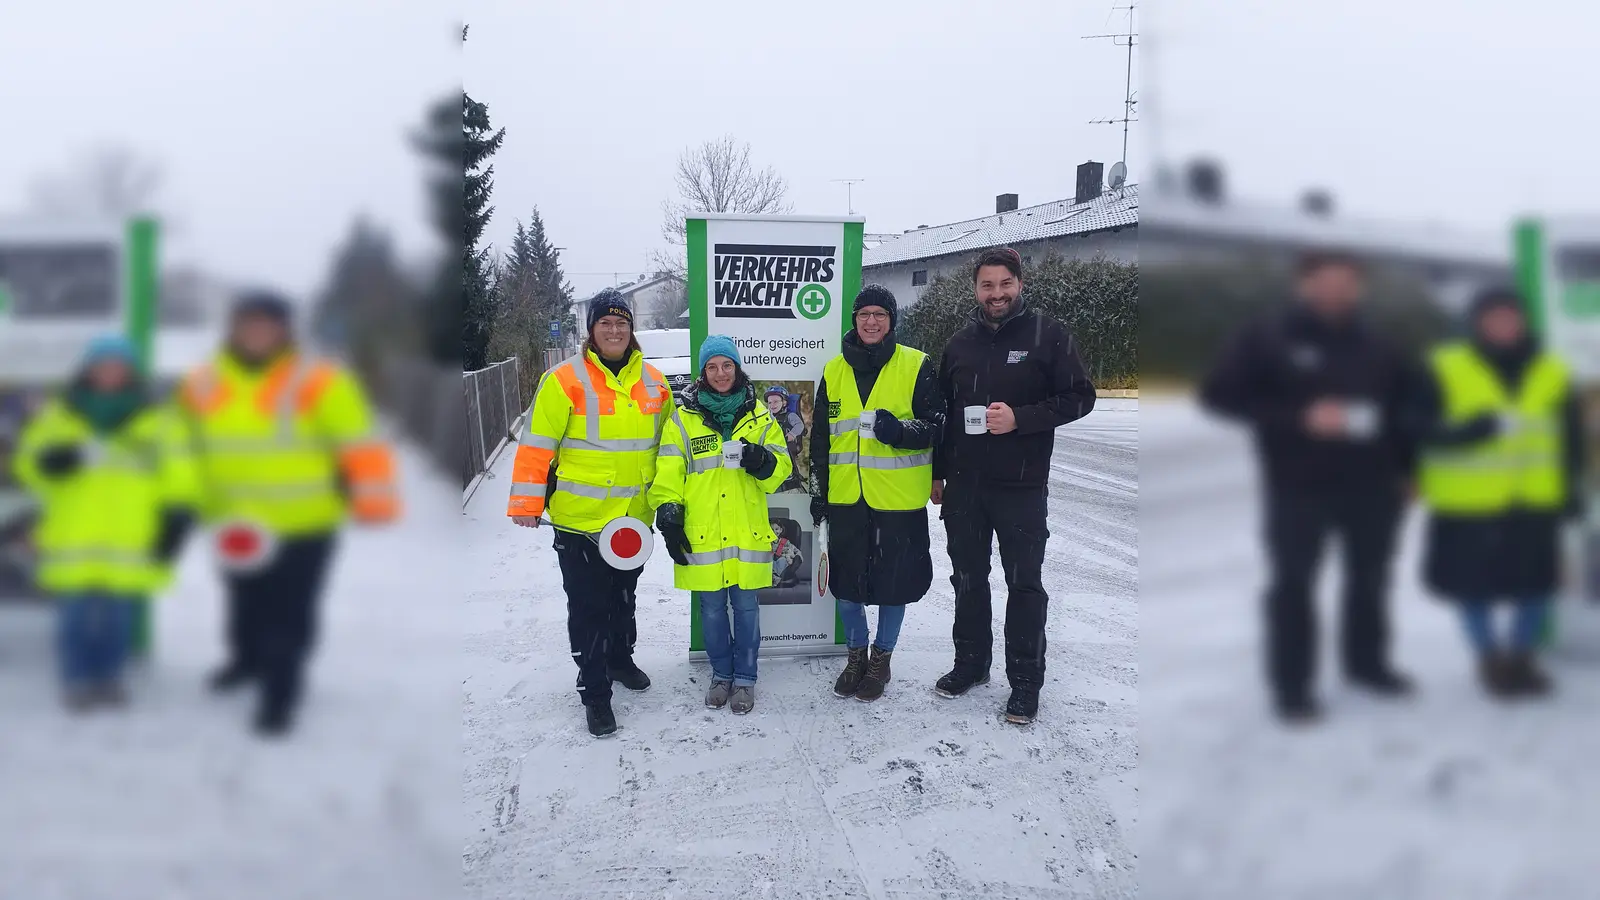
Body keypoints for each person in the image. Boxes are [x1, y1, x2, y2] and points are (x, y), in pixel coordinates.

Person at [1200, 251, 1417, 723]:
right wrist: (1298, 418)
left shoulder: (1380, 344)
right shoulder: (1267, 336)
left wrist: (1410, 470)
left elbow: (1408, 410)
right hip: (1299, 485)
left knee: (1370, 579)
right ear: (1304, 285)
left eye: (1346, 282)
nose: (1336, 290)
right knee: (1294, 585)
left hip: (1373, 485)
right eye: (1326, 281)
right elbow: (1220, 394)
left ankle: (1368, 665)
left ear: (1358, 288)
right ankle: (1293, 688)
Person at [177, 291, 400, 736]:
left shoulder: (317, 380)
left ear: (283, 330)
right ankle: (246, 661)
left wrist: (373, 499)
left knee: (289, 610)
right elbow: (180, 446)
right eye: (248, 323)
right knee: (244, 599)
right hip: (233, 520)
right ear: (234, 327)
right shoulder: (203, 382)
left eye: (266, 324)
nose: (257, 333)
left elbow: (358, 441)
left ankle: (280, 694)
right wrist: (181, 502)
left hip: (303, 522)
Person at [932, 248, 1096, 725]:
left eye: (1005, 284)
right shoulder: (959, 343)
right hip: (965, 486)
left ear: (1019, 284)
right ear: (975, 289)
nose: (996, 293)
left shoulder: (1049, 335)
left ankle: (1025, 682)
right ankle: (971, 664)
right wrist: (937, 473)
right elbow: (943, 414)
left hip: (1021, 486)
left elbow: (1080, 396)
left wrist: (1021, 419)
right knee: (967, 578)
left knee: (1024, 584)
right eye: (987, 285)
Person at [509, 289, 673, 738]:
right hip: (580, 522)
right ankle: (595, 692)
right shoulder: (564, 379)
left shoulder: (656, 383)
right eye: (606, 323)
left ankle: (619, 661)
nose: (614, 330)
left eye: (622, 323)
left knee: (624, 598)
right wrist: (526, 502)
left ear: (631, 329)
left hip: (633, 521)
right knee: (588, 607)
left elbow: (669, 448)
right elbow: (537, 444)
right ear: (592, 330)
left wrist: (669, 501)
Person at [1413, 288, 1586, 698]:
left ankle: (1522, 658)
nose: (1504, 325)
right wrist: (1468, 432)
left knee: (1537, 585)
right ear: (1477, 322)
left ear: (1523, 321)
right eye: (1493, 317)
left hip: (1534, 499)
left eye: (1511, 317)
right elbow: (1413, 427)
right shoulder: (1443, 365)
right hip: (1469, 502)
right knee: (1472, 587)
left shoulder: (1553, 370)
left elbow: (1571, 436)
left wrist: (1571, 488)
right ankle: (1489, 659)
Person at [13, 336, 199, 710]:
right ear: (88, 370)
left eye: (118, 366)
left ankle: (109, 679)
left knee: (117, 621)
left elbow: (181, 474)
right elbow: (28, 465)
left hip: (130, 538)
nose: (110, 373)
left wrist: (178, 517)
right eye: (102, 366)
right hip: (73, 537)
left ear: (131, 372)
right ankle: (76, 680)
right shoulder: (58, 416)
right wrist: (51, 462)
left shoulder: (160, 420)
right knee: (75, 619)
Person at [811, 284, 943, 703]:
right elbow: (820, 440)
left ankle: (881, 660)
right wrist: (818, 491)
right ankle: (856, 657)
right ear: (854, 320)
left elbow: (939, 426)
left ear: (891, 321)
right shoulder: (834, 370)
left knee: (893, 585)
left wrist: (899, 431)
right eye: (864, 314)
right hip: (847, 499)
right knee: (847, 585)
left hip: (897, 502)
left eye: (880, 315)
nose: (871, 321)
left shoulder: (916, 364)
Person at [649, 335, 791, 715]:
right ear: (703, 373)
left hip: (745, 533)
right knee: (711, 610)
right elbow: (668, 471)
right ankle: (721, 675)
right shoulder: (683, 420)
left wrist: (763, 461)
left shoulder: (760, 416)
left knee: (746, 610)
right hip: (704, 536)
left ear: (737, 368)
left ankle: (745, 678)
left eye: (727, 365)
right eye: (712, 367)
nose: (721, 373)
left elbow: (781, 470)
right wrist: (669, 514)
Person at [764, 385, 807, 491]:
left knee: (788, 456)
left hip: (787, 444)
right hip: (773, 444)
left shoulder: (790, 415)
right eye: (769, 402)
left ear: (784, 403)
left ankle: (791, 473)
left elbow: (800, 425)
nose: (772, 405)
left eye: (775, 401)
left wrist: (792, 434)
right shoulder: (768, 417)